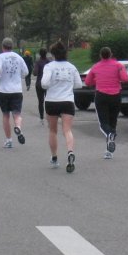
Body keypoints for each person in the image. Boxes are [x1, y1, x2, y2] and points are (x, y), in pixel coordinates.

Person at [41, 41, 82, 172]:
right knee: (67, 130)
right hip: (67, 101)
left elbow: (44, 84)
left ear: (53, 54)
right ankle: (70, 151)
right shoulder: (71, 67)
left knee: (53, 130)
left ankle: (54, 158)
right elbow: (79, 84)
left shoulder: (49, 67)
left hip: (52, 101)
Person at [85, 46, 128, 160]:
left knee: (103, 122)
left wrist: (97, 79)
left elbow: (87, 81)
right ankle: (109, 151)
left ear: (100, 55)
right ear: (111, 54)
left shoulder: (95, 67)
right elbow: (125, 78)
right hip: (115, 95)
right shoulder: (118, 65)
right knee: (112, 121)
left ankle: (109, 138)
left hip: (101, 95)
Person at [0, 37, 29, 149]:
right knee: (17, 114)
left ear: (3, 47)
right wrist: (19, 77)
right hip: (16, 90)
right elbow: (26, 72)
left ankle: (9, 140)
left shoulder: (0, 57)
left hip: (3, 90)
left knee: (6, 115)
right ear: (12, 47)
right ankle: (18, 127)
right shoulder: (18, 57)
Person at [34, 47, 49, 125]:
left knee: (41, 101)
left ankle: (41, 118)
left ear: (40, 54)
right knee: (48, 100)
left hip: (39, 83)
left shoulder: (38, 62)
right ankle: (49, 116)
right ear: (46, 54)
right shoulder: (49, 62)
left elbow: (35, 73)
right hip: (47, 84)